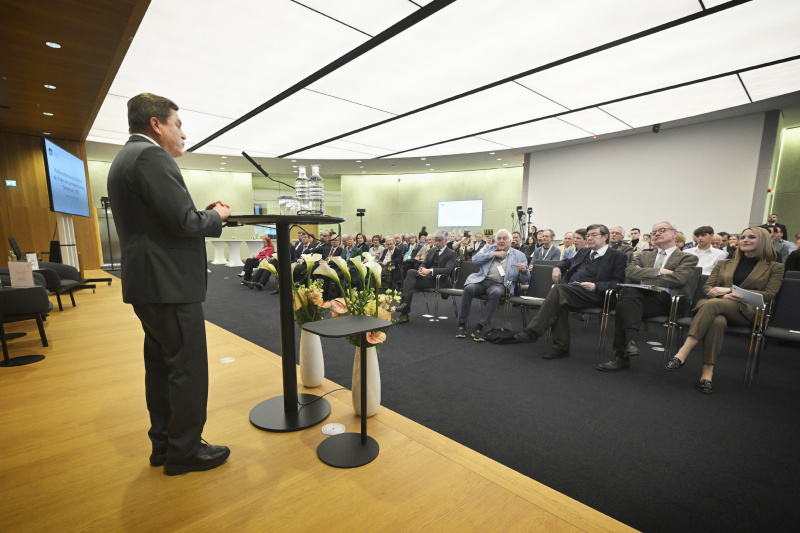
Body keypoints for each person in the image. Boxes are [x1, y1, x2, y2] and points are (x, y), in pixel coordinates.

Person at [107, 93, 231, 475]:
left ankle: (164, 444)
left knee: (162, 367)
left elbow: (164, 219)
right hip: (170, 285)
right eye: (178, 124)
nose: (183, 132)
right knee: (187, 368)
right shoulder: (150, 156)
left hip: (150, 284)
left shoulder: (125, 158)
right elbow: (184, 224)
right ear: (156, 125)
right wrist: (217, 218)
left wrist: (199, 215)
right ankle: (184, 451)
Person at [665, 227, 784, 394]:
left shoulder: (775, 267)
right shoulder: (724, 263)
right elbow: (707, 287)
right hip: (718, 306)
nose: (745, 240)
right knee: (717, 321)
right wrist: (719, 294)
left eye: (751, 237)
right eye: (742, 237)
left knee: (711, 305)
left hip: (747, 311)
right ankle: (707, 374)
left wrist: (730, 292)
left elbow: (768, 295)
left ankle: (682, 353)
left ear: (763, 240)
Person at [597, 222, 698, 372]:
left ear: (675, 234)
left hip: (669, 300)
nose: (657, 234)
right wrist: (660, 272)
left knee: (623, 305)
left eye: (662, 230)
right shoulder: (644, 255)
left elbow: (678, 279)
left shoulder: (687, 258)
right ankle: (630, 343)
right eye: (654, 232)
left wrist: (645, 273)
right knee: (627, 296)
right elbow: (629, 272)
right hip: (642, 297)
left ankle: (621, 357)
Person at [514, 224, 627, 359]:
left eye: (594, 235)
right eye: (588, 235)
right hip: (572, 290)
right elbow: (566, 262)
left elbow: (618, 282)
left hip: (596, 294)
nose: (589, 238)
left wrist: (596, 285)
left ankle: (533, 331)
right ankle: (560, 347)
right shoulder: (584, 252)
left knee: (559, 291)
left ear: (605, 237)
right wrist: (556, 268)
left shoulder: (617, 256)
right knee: (560, 301)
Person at [455, 229, 530, 341]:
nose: (501, 241)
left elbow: (525, 278)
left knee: (496, 293)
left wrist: (524, 271)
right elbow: (474, 260)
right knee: (469, 289)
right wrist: (493, 254)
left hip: (500, 284)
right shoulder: (489, 248)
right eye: (498, 238)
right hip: (482, 281)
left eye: (504, 238)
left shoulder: (519, 255)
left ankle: (480, 326)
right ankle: (462, 324)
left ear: (510, 241)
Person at [395, 230, 456, 319]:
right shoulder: (431, 251)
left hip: (440, 280)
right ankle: (405, 307)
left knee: (408, 283)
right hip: (427, 278)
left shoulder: (451, 253)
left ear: (446, 240)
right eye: (436, 240)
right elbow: (424, 263)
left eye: (439, 240)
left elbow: (448, 270)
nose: (437, 243)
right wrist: (421, 269)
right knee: (410, 273)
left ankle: (404, 313)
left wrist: (430, 271)